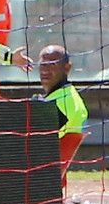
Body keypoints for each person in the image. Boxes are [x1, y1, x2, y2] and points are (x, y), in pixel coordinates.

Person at [37, 44, 88, 183]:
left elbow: (37, 139)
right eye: (42, 64)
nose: (45, 70)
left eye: (52, 64)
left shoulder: (65, 101)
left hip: (40, 177)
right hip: (43, 173)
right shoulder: (61, 96)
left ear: (67, 68)